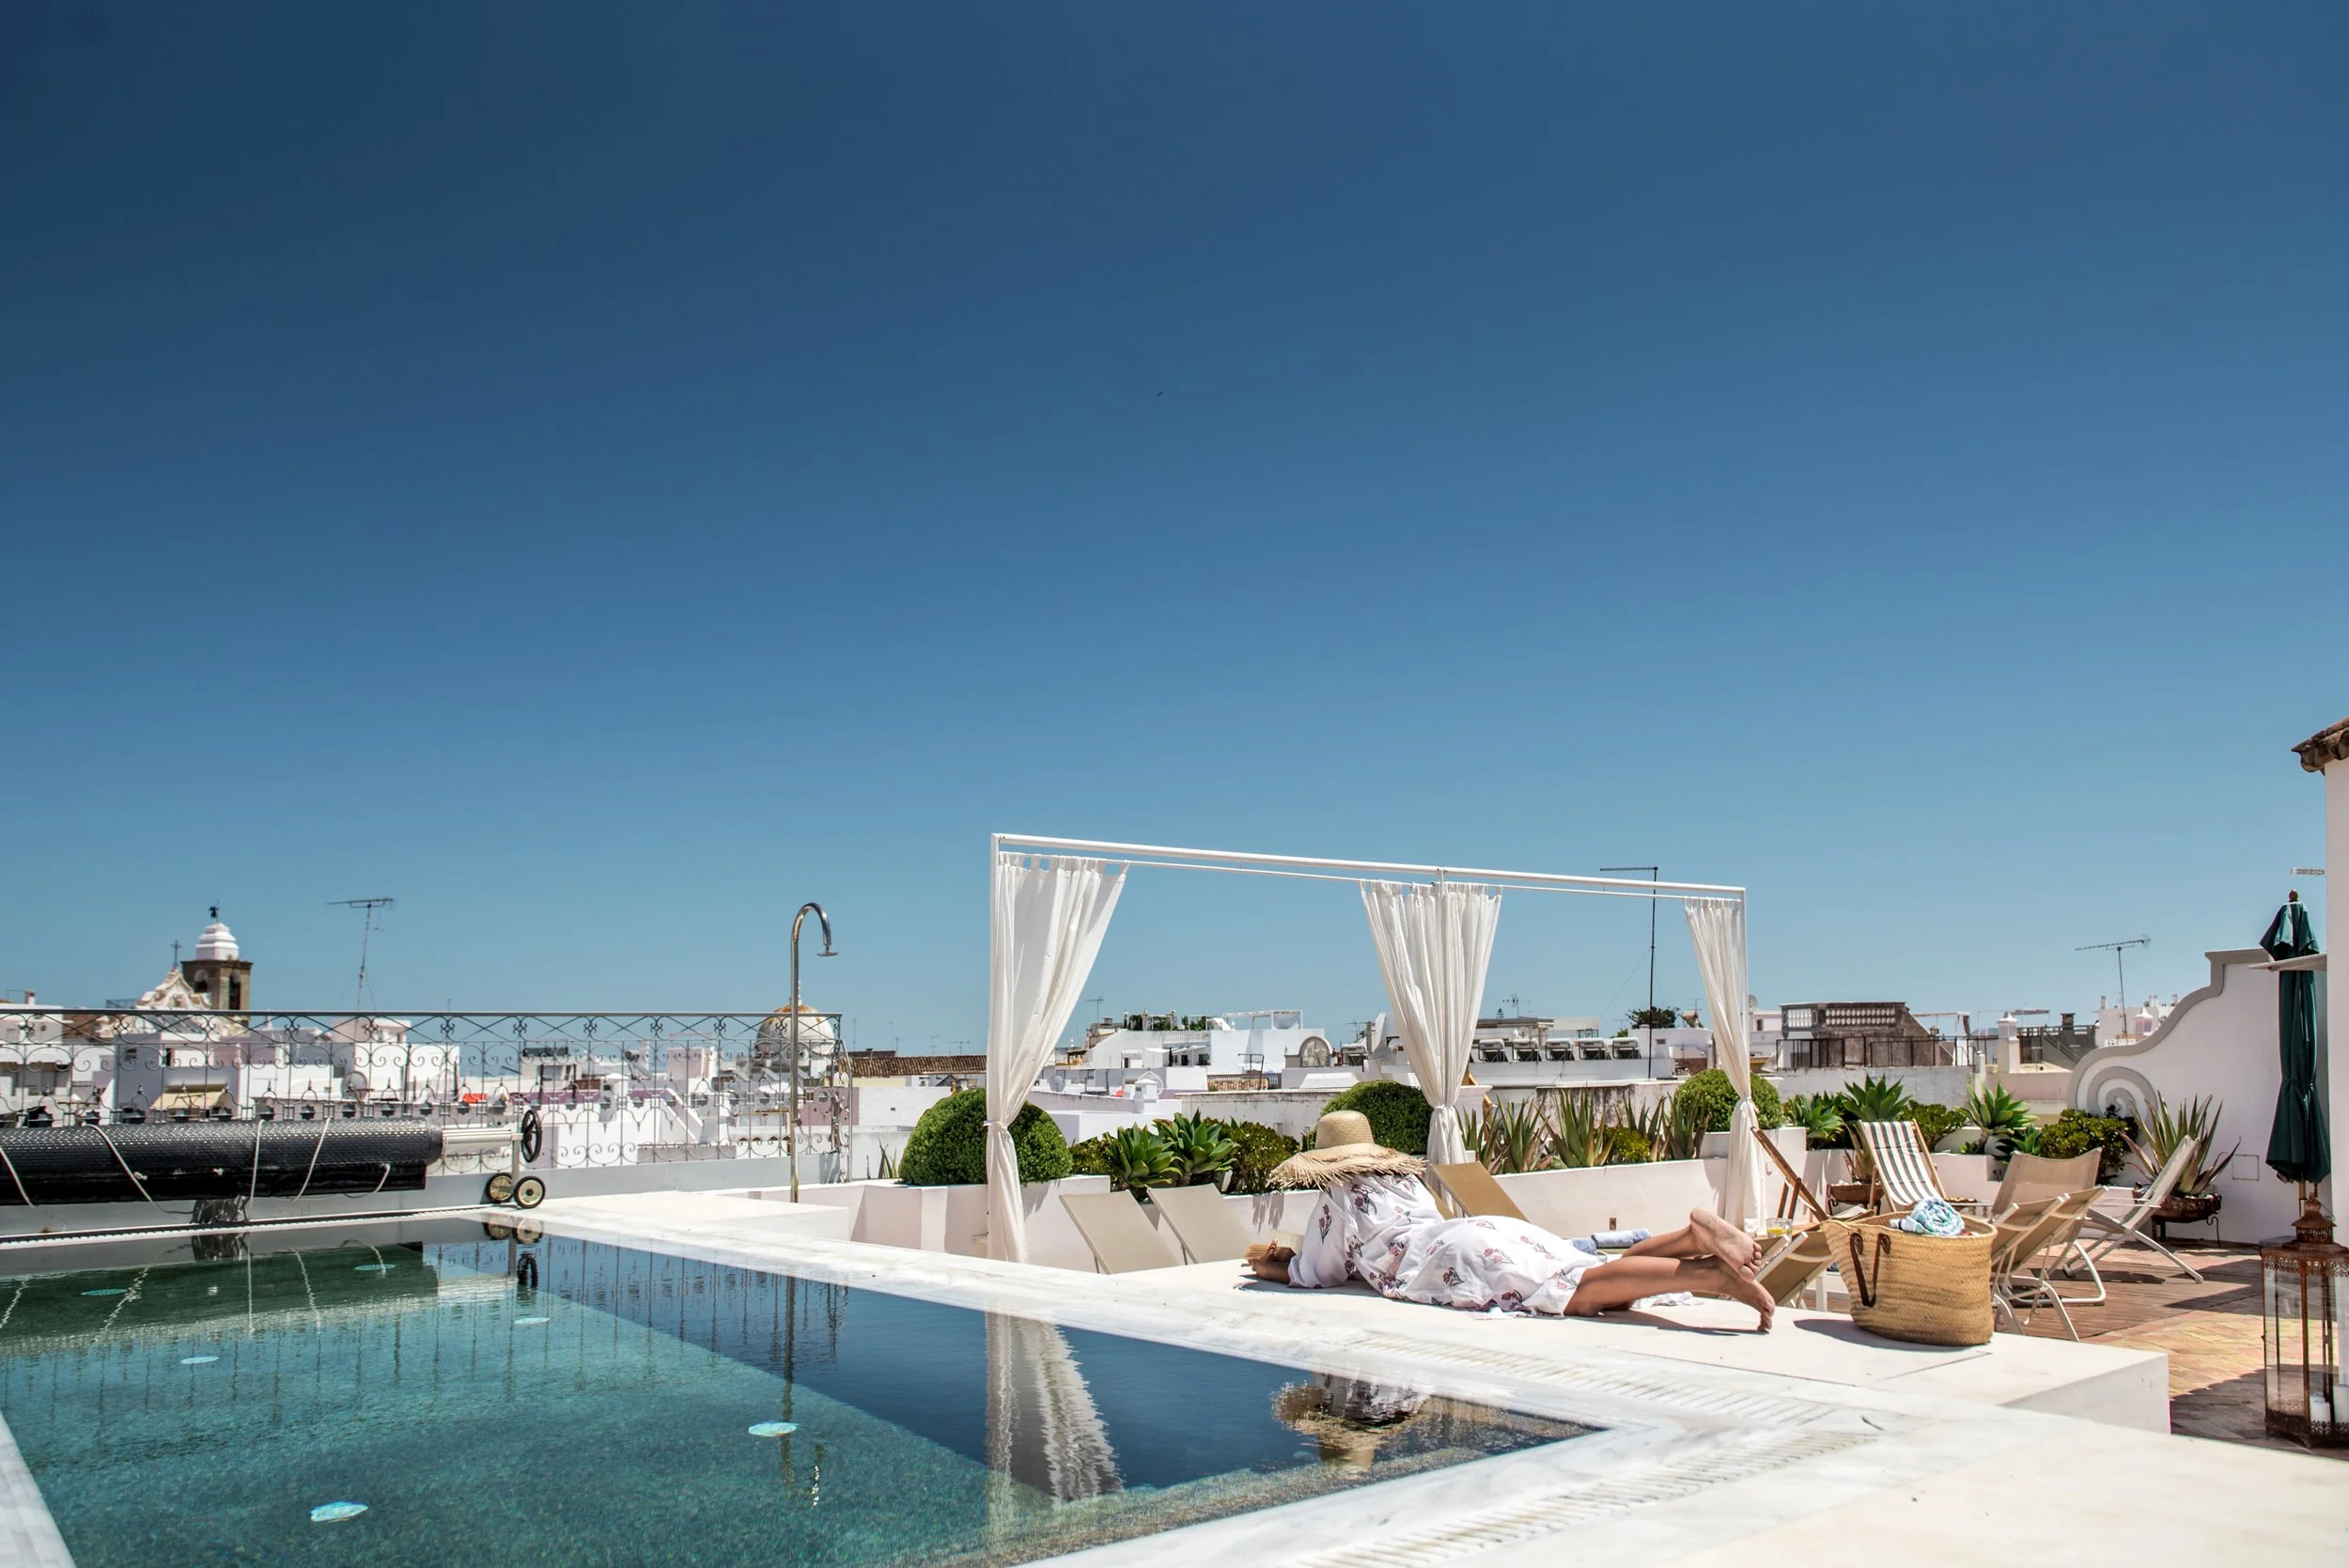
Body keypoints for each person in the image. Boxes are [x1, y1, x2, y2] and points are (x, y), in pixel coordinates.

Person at [1246, 1110, 1776, 1329]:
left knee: (1580, 1291)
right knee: (1574, 1269)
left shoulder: (1339, 1198)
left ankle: (1709, 1273)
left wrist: (1267, 1265)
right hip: (1480, 1230)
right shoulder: (1402, 1179)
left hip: (1455, 1257)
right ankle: (1687, 1237)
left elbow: (1319, 1272)